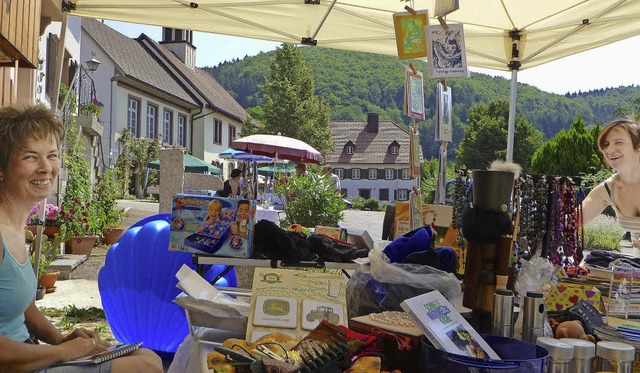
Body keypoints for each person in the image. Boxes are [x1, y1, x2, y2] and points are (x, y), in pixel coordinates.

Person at [0, 104, 162, 373]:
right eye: (30, 157)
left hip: (31, 356)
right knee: (146, 367)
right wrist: (61, 352)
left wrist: (60, 339)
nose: (46, 167)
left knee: (149, 356)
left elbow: (21, 306)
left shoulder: (16, 225)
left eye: (52, 155)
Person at [582, 118, 640, 248]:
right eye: (606, 144)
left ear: (638, 146)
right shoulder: (609, 188)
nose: (609, 150)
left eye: (619, 142)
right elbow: (574, 219)